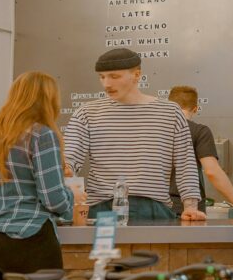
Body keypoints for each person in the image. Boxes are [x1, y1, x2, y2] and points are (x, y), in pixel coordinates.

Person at [0, 71, 75, 280]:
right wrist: (70, 202)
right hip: (28, 241)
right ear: (49, 100)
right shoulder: (41, 135)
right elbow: (53, 198)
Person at [64, 48, 206, 221]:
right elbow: (69, 159)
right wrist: (66, 171)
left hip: (154, 208)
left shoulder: (170, 112)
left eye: (114, 76)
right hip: (102, 208)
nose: (106, 84)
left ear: (137, 75)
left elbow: (185, 164)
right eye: (102, 77)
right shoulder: (86, 113)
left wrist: (190, 207)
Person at [167, 86, 233, 219]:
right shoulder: (199, 131)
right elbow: (212, 171)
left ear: (169, 106)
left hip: (157, 207)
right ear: (196, 108)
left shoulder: (155, 131)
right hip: (189, 210)